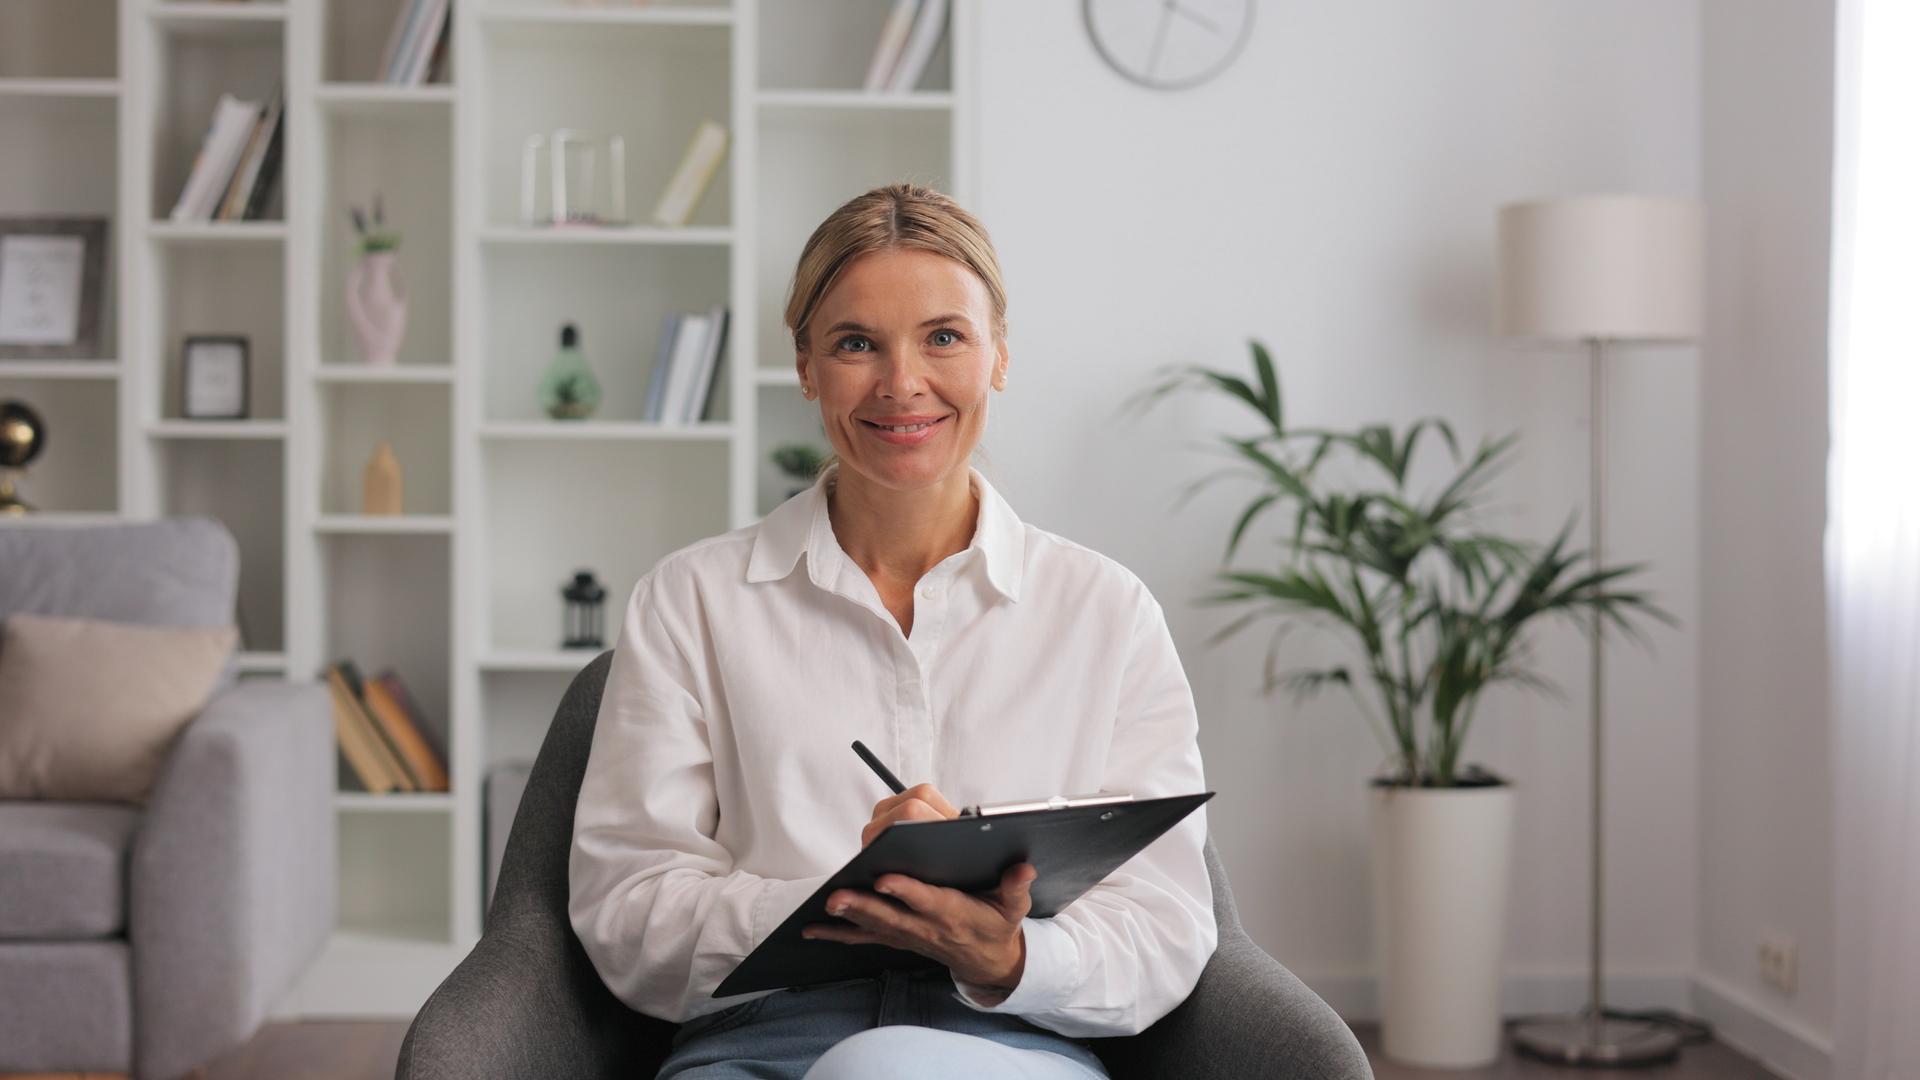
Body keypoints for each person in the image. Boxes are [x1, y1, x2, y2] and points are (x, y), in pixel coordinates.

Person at [568, 183, 1217, 1080]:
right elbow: (627, 914)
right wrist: (844, 904)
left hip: (1011, 1043)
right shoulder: (691, 601)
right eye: (855, 343)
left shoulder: (1106, 612)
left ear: (998, 355)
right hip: (758, 1045)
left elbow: (1168, 925)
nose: (901, 383)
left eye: (944, 336)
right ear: (805, 367)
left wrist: (1008, 955)